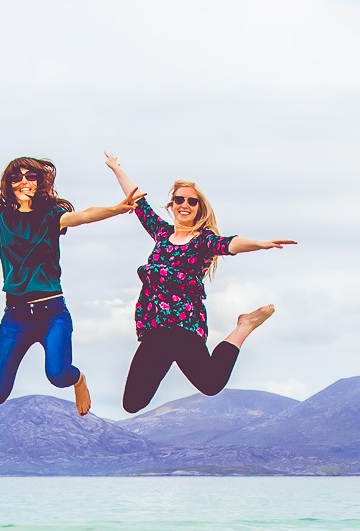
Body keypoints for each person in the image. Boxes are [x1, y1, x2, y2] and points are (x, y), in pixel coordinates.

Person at [0, 98, 139, 415]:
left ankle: (79, 380)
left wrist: (117, 209)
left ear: (40, 182)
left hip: (52, 312)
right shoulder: (0, 216)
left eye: (30, 176)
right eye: (16, 177)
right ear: (9, 185)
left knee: (58, 375)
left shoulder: (52, 216)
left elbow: (86, 215)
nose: (23, 181)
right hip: (15, 316)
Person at [103, 153, 296, 414]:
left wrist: (261, 244)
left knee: (211, 384)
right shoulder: (161, 233)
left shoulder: (203, 241)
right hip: (154, 328)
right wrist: (116, 168)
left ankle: (244, 326)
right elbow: (137, 201)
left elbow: (230, 244)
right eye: (179, 200)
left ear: (199, 208)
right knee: (132, 404)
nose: (185, 205)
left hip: (185, 327)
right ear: (171, 205)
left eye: (191, 201)